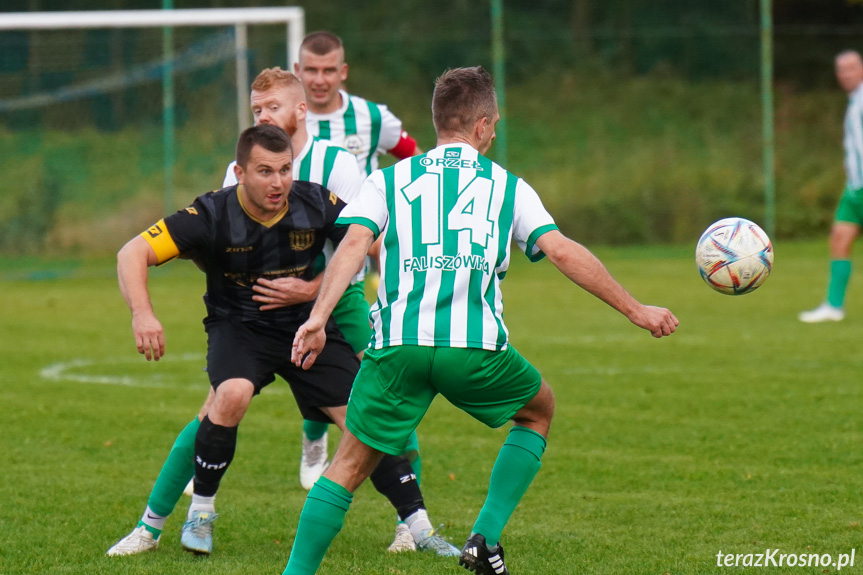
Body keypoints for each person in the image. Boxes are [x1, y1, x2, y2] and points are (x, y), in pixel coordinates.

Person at [281, 66, 679, 575]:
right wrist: (636, 309)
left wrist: (317, 318)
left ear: (437, 122)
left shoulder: (388, 179)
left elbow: (354, 244)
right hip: (475, 348)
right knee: (538, 411)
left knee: (349, 464)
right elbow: (560, 251)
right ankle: (484, 539)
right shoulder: (508, 186)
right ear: (485, 125)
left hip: (397, 346)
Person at [106, 124, 457, 559]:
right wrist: (142, 314)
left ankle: (419, 528)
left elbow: (367, 242)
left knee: (366, 420)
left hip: (307, 331)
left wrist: (344, 284)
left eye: (285, 170)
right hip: (239, 329)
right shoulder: (210, 214)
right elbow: (131, 253)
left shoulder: (315, 202)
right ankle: (197, 512)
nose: (278, 183)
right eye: (265, 172)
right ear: (239, 172)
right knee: (230, 395)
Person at [292, 30, 425, 521]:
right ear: (299, 72)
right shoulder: (286, 118)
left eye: (330, 71)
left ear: (342, 72)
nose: (321, 80)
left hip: (357, 262)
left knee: (380, 373)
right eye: (312, 70)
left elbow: (413, 154)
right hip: (295, 272)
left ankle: (410, 518)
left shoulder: (371, 118)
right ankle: (313, 436)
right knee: (309, 360)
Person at [799, 50, 863, 323]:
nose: (846, 74)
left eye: (851, 68)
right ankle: (833, 307)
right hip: (855, 188)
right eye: (841, 70)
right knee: (839, 238)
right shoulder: (854, 101)